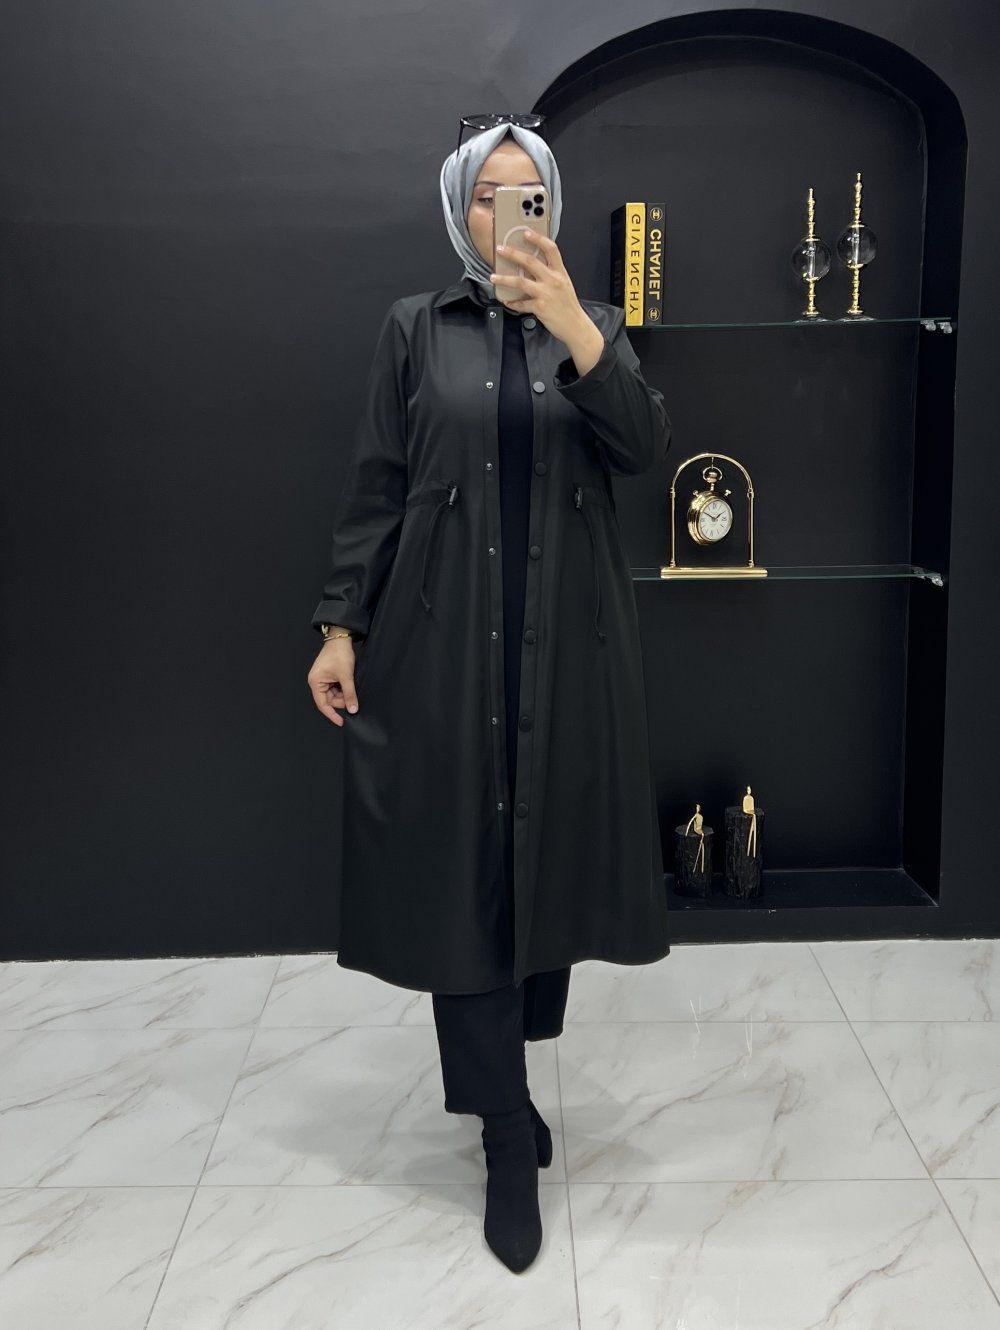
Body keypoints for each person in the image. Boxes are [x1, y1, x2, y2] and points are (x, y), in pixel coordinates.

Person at [306, 115, 672, 1273]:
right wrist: (339, 623)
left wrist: (573, 325)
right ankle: (505, 1131)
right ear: (458, 208)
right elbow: (378, 485)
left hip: (568, 649)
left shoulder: (592, 321)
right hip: (441, 643)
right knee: (458, 880)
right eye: (486, 196)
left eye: (528, 196)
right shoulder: (414, 328)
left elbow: (643, 448)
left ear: (550, 207)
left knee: (544, 866)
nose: (507, 215)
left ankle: (509, 1077)